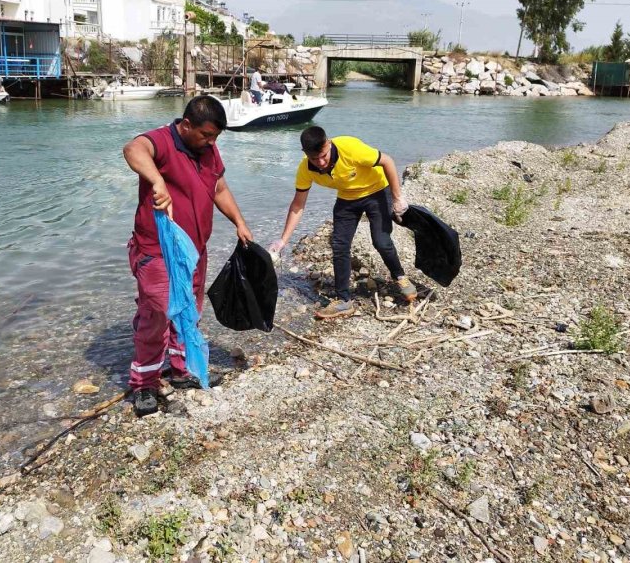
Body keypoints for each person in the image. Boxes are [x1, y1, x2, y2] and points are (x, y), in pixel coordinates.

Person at [122, 96, 253, 416]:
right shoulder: (162, 141)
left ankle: (182, 371)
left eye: (216, 137)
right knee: (157, 314)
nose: (211, 142)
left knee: (189, 311)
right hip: (157, 250)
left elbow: (219, 189)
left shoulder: (209, 150)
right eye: (206, 135)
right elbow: (133, 149)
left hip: (194, 250)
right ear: (186, 125)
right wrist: (157, 181)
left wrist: (239, 222)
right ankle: (145, 383)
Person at [268, 126, 416, 319]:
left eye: (324, 155)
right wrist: (283, 240)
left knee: (381, 241)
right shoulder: (305, 169)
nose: (321, 163)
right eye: (314, 158)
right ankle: (344, 300)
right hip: (347, 198)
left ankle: (400, 277)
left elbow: (387, 161)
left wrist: (397, 198)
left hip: (377, 190)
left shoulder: (350, 148)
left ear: (328, 143)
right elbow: (297, 205)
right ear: (305, 153)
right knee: (339, 245)